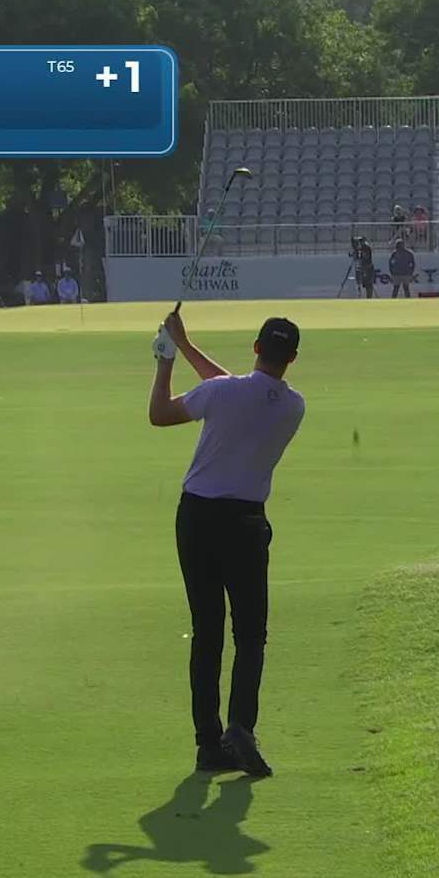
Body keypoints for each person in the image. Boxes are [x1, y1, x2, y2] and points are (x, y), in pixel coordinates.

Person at [146, 309, 306, 778]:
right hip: (246, 525)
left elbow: (160, 414)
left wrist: (166, 357)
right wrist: (188, 344)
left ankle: (207, 745)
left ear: (256, 348)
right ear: (291, 358)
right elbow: (238, 390)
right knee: (250, 635)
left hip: (196, 518)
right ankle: (240, 727)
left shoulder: (221, 393)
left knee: (208, 633)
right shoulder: (293, 405)